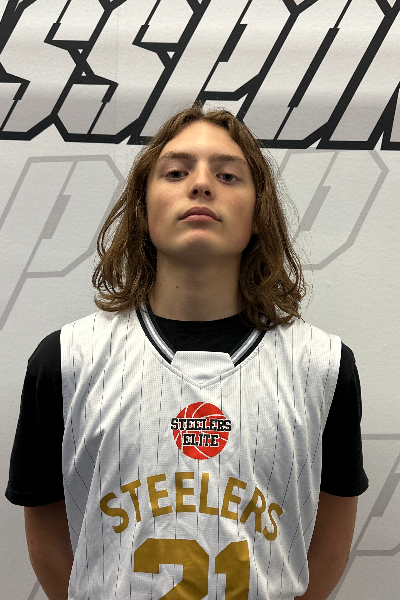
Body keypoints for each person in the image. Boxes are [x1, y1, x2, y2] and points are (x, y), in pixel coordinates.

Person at [6, 105, 368, 600]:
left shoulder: (324, 366)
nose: (200, 185)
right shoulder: (65, 360)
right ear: (143, 210)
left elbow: (330, 541)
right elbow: (45, 527)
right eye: (176, 173)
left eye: (227, 175)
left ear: (258, 215)